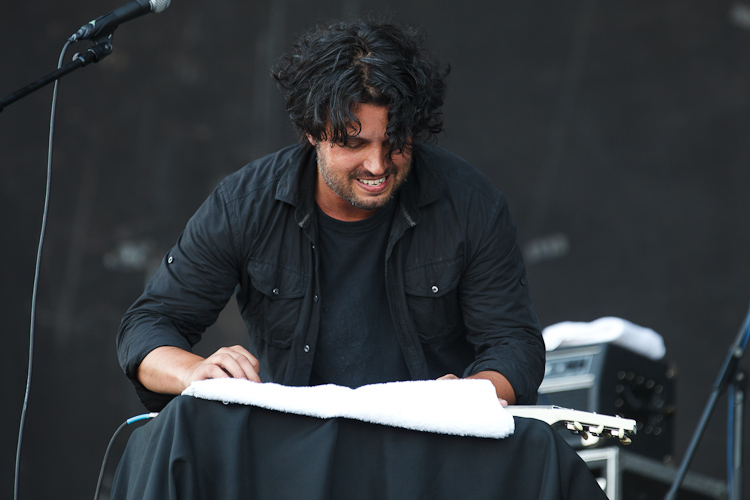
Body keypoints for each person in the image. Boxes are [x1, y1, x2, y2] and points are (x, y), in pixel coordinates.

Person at [116, 17, 546, 413]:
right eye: (354, 144)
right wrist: (194, 371)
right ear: (311, 130)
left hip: (432, 443)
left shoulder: (471, 203)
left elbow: (515, 346)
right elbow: (149, 325)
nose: (377, 165)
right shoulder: (244, 204)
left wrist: (473, 392)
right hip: (293, 446)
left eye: (395, 141)